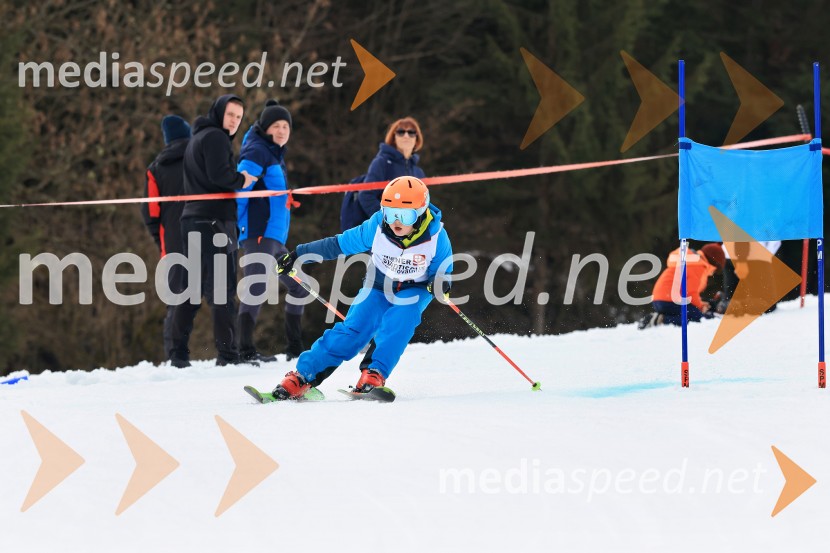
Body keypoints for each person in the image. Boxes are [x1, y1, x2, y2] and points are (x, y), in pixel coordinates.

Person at [269, 176, 453, 399]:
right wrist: (299, 254)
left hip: (416, 286)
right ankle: (302, 377)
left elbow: (443, 272)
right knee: (355, 329)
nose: (396, 222)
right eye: (390, 212)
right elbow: (338, 244)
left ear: (421, 212)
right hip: (378, 283)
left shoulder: (437, 237)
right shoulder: (376, 226)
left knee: (401, 319)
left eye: (405, 215)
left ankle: (374, 373)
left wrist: (441, 283)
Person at [168, 94, 257, 367]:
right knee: (222, 290)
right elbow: (220, 175)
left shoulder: (197, 138)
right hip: (214, 222)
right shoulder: (216, 137)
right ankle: (228, 356)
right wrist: (242, 179)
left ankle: (178, 354)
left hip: (192, 221)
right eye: (231, 115)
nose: (234, 121)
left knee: (191, 288)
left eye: (239, 118)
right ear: (219, 114)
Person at [235, 100, 309, 363]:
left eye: (285, 125)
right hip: (259, 233)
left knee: (300, 288)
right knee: (255, 288)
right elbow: (239, 193)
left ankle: (295, 348)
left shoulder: (274, 154)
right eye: (276, 125)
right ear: (265, 129)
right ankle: (243, 351)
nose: (281, 130)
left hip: (275, 237)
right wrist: (236, 228)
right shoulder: (256, 152)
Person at [141, 115, 192, 357]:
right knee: (219, 296)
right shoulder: (201, 159)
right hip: (209, 235)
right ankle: (229, 352)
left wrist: (159, 238)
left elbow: (150, 212)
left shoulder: (155, 168)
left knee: (178, 297)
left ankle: (176, 353)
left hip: (172, 241)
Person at [340, 116, 426, 231]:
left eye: (411, 132)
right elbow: (366, 195)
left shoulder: (418, 173)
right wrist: (386, 221)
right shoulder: (382, 163)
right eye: (401, 132)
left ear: (417, 139)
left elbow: (423, 205)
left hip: (411, 233)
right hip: (385, 233)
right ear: (393, 137)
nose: (406, 136)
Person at [639, 243, 725, 328]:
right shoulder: (698, 267)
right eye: (717, 270)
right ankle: (661, 320)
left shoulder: (691, 262)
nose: (713, 273)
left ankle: (660, 318)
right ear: (714, 264)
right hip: (670, 300)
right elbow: (690, 293)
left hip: (660, 300)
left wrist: (700, 303)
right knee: (697, 317)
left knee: (691, 313)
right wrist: (700, 306)